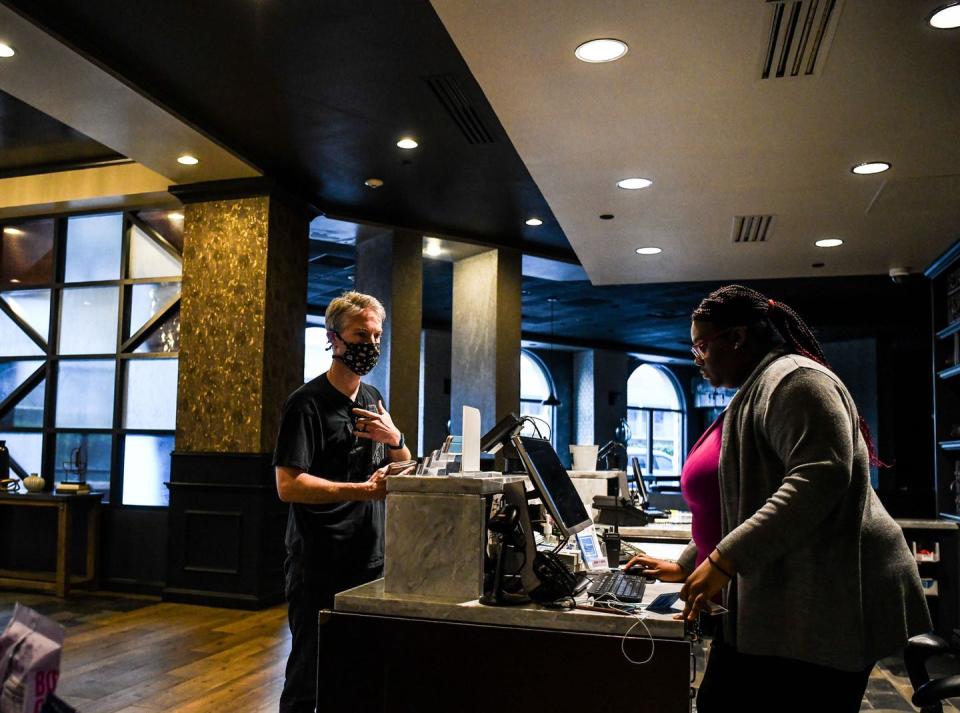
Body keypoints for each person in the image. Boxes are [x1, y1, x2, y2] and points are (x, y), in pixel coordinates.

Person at [625, 285, 930, 712]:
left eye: (701, 345)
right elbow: (739, 498)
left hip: (828, 593)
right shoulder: (754, 389)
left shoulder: (796, 379)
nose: (697, 358)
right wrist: (689, 562)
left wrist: (725, 559)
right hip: (784, 592)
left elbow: (820, 477)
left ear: (736, 338)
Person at [273, 291, 412, 713]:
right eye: (359, 335)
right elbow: (288, 485)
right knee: (307, 679)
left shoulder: (372, 398)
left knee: (357, 672)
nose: (369, 345)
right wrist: (362, 491)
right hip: (319, 560)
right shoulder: (306, 404)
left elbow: (403, 466)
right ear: (334, 339)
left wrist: (397, 442)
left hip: (369, 558)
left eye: (376, 336)